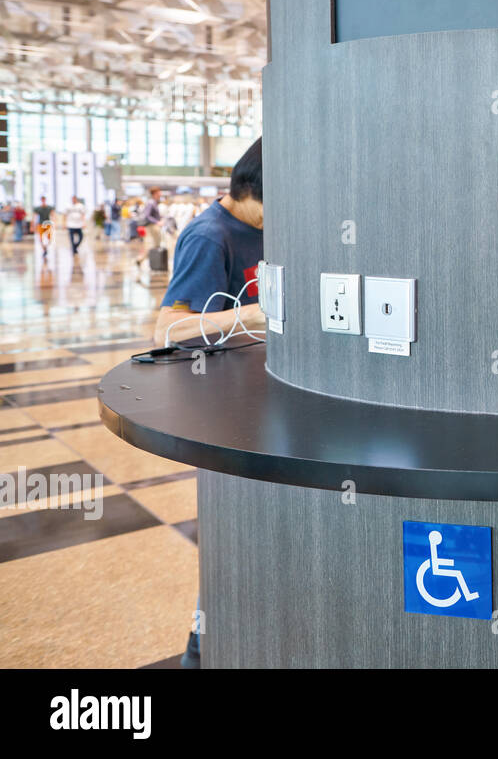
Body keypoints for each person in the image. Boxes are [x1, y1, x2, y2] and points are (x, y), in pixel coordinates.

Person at [152, 140, 265, 668]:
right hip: (222, 416)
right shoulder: (209, 236)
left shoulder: (262, 227)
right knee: (227, 548)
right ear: (252, 190)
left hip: (258, 407)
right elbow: (167, 328)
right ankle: (201, 653)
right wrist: (260, 315)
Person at [135, 187, 164, 270]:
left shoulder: (154, 202)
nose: (160, 194)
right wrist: (157, 222)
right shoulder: (151, 203)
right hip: (152, 227)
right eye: (159, 192)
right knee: (153, 245)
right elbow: (147, 216)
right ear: (155, 193)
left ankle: (145, 261)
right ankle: (141, 260)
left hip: (154, 227)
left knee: (156, 246)